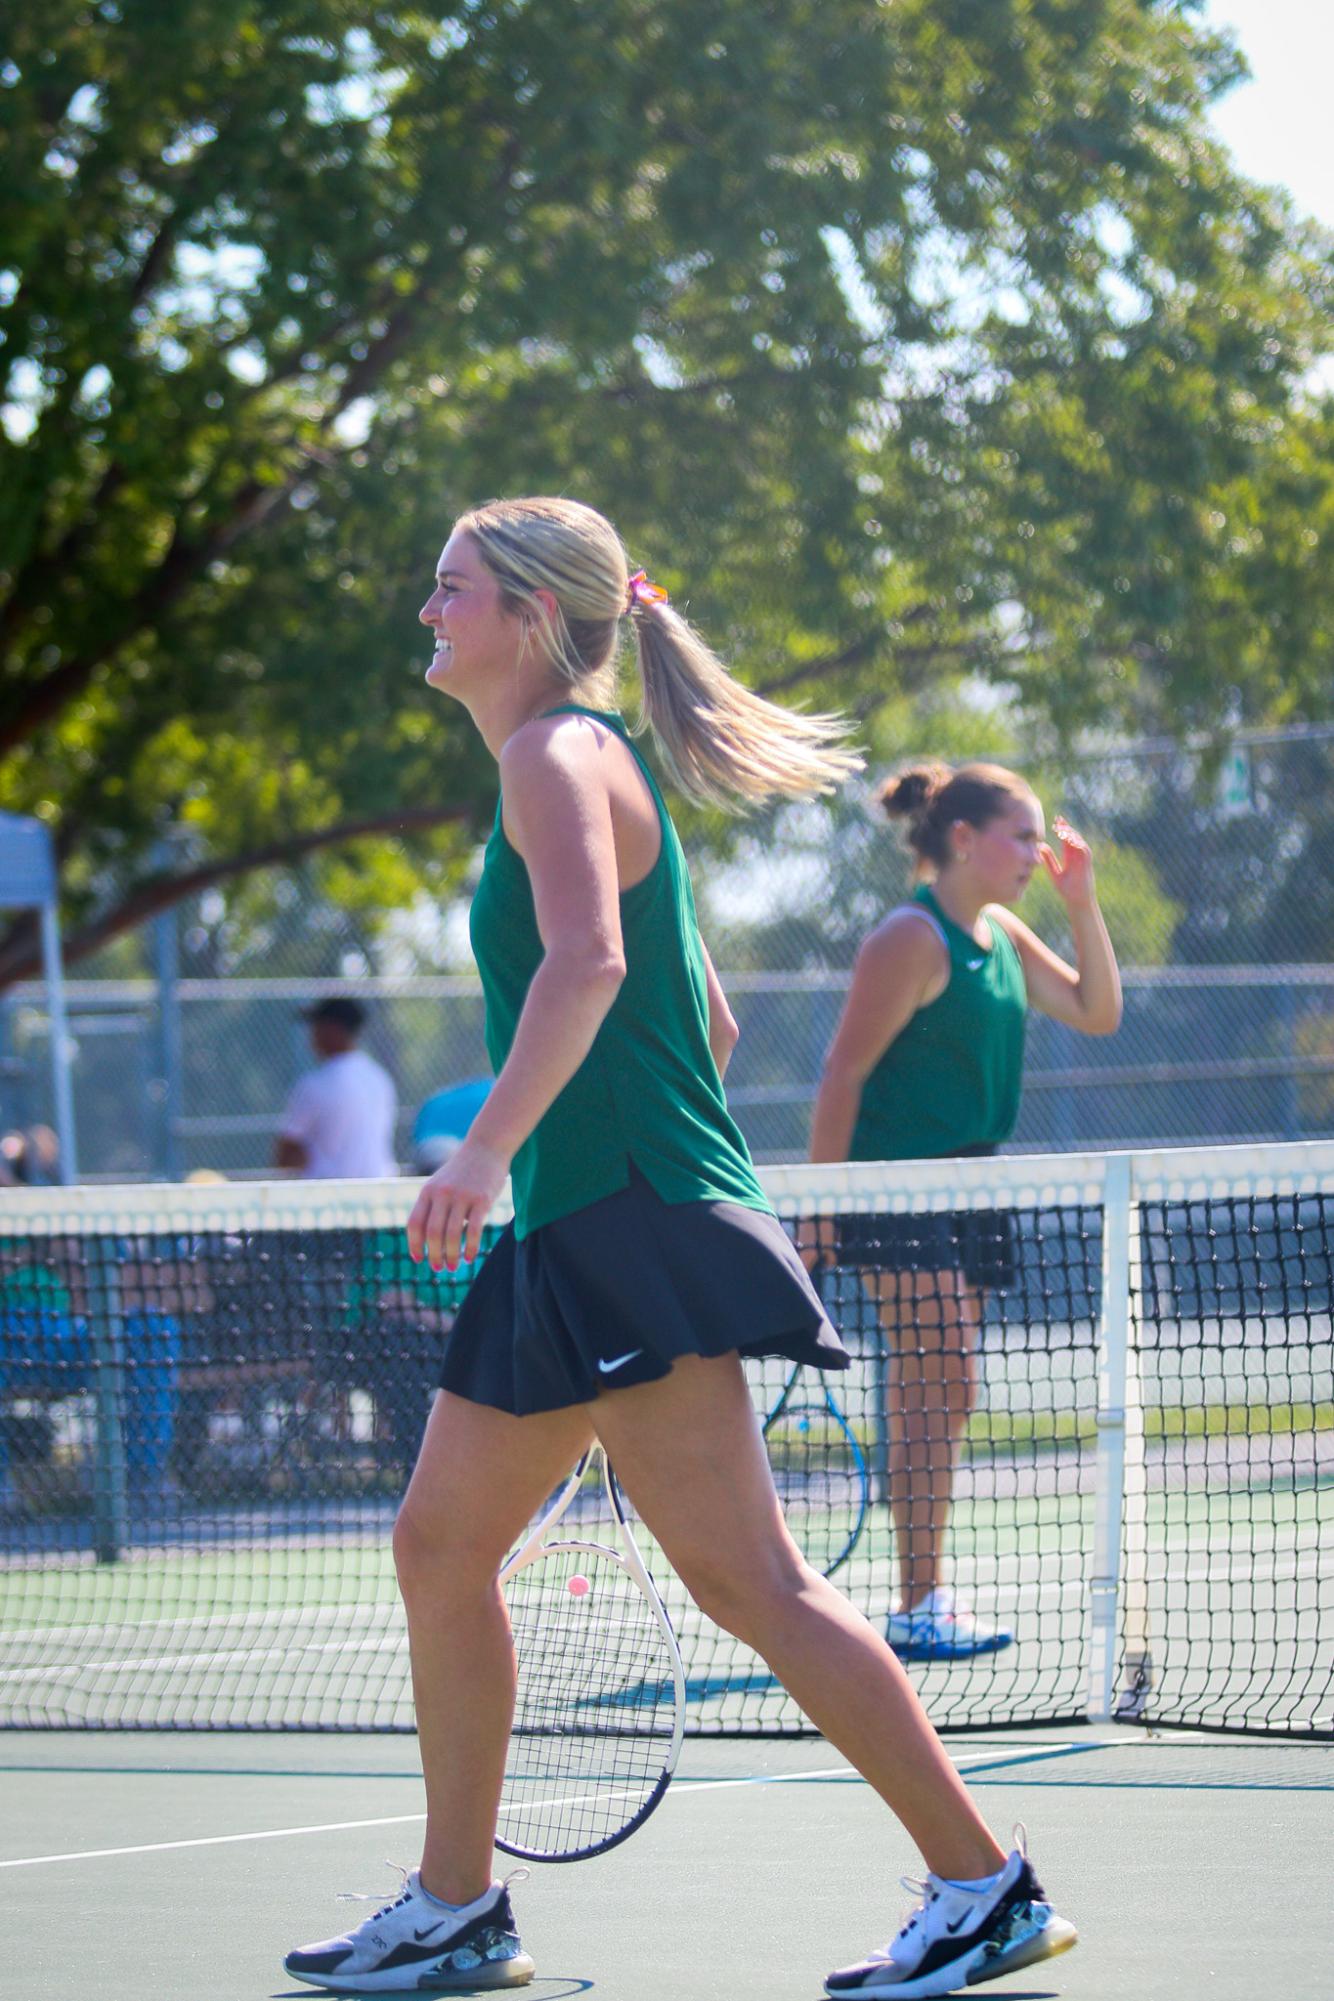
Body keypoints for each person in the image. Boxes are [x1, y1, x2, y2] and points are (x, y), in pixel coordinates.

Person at [284, 499, 1077, 2000]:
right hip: (587, 1224)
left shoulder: (553, 756)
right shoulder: (588, 761)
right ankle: (457, 1906)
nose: (425, 616)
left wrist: (487, 1150)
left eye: (446, 589)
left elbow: (589, 965)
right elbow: (696, 1015)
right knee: (440, 1546)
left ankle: (983, 1886)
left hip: (620, 1218)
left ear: (526, 611)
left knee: (753, 1586)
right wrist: (588, 1157)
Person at [809, 763, 1122, 1662]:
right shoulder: (909, 937)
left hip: (975, 1181)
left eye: (1036, 838)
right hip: (893, 1183)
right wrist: (821, 1208)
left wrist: (1083, 900)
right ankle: (918, 1601)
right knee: (938, 1364)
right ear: (961, 839)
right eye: (1021, 837)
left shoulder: (1004, 935)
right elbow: (843, 1074)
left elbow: (1099, 1011)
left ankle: (921, 1595)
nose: (1036, 853)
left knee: (945, 1386)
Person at [274, 997, 398, 1179]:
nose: (311, 1034)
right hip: (379, 1191)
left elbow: (286, 1156)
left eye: (316, 1025)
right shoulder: (379, 1077)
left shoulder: (316, 1083)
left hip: (328, 1198)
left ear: (333, 1029)